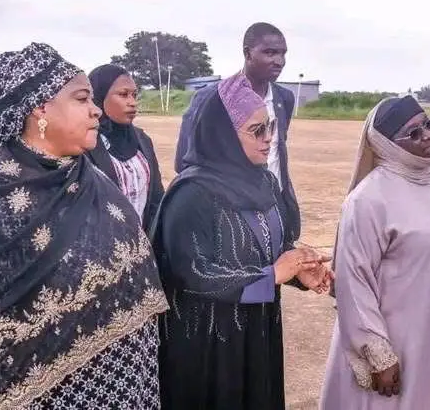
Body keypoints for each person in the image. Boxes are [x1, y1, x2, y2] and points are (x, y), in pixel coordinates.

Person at [0, 43, 168, 409]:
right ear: (40, 108)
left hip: (123, 384)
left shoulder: (92, 179)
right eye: (82, 99)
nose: (95, 110)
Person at [151, 71, 332, 409]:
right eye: (256, 130)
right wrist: (271, 276)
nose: (269, 138)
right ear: (221, 134)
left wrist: (297, 271)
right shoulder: (191, 194)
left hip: (257, 332)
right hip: (210, 347)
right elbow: (191, 273)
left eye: (271, 127)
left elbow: (269, 249)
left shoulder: (264, 182)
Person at [320, 95, 430, 410]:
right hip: (404, 340)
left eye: (429, 124)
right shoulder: (369, 199)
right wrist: (377, 353)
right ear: (387, 145)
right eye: (414, 133)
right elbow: (353, 281)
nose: (428, 135)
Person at [174, 22, 300, 237]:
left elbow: (276, 151)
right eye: (270, 53)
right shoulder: (212, 98)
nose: (279, 61)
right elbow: (185, 161)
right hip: (228, 208)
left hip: (272, 202)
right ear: (247, 53)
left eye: (282, 53)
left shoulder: (284, 99)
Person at [86, 63, 164, 231]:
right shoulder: (84, 143)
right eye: (123, 94)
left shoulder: (142, 140)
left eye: (134, 95)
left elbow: (156, 198)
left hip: (143, 242)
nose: (132, 102)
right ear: (98, 97)